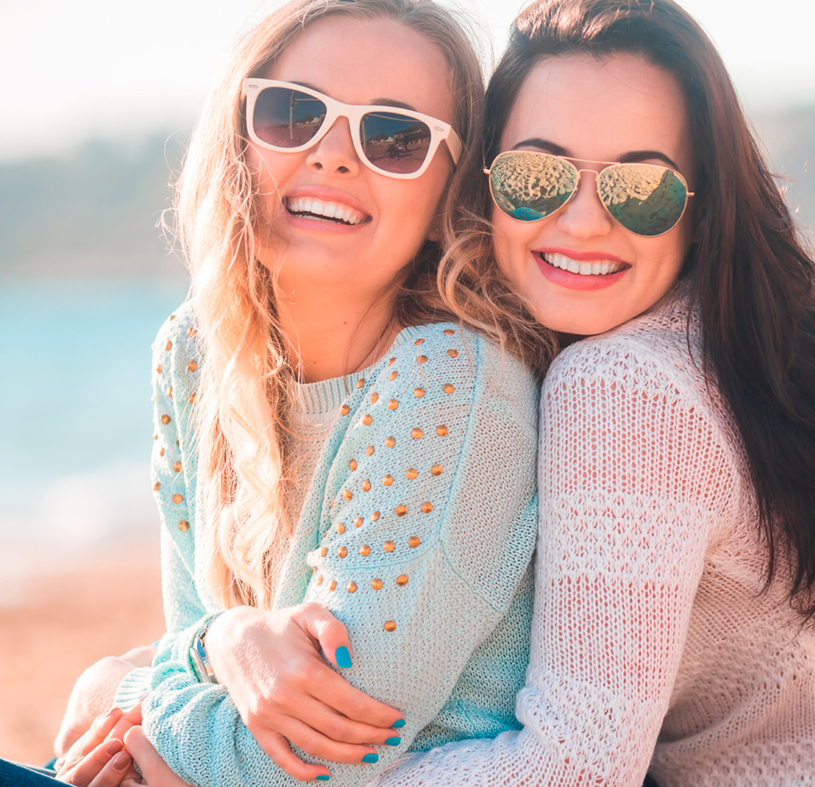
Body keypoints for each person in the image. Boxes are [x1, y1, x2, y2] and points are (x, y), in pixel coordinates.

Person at [184, 0, 815, 784]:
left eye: (640, 189)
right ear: (480, 185)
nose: (583, 221)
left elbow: (574, 770)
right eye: (536, 175)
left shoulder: (624, 386)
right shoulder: (759, 351)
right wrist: (220, 637)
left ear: (702, 207)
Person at [29, 1, 557, 786]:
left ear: (452, 190)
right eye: (292, 114)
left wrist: (116, 685)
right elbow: (201, 652)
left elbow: (322, 752)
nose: (335, 156)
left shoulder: (454, 380)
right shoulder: (192, 354)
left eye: (395, 137)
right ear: (238, 136)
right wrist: (215, 643)